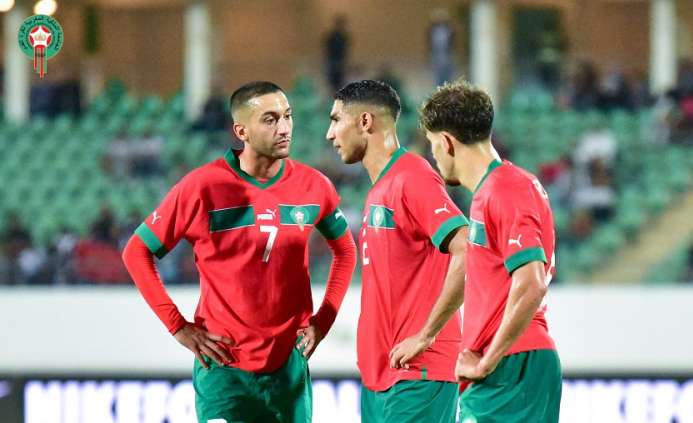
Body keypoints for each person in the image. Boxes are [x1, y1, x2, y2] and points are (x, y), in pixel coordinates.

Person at [122, 81, 357, 423]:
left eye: (288, 116)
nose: (284, 128)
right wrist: (178, 326)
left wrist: (323, 321)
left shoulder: (314, 185)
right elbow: (136, 252)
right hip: (223, 370)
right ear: (241, 131)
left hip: (287, 371)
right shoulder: (202, 186)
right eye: (270, 119)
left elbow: (346, 251)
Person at [326, 80, 468, 422]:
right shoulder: (381, 189)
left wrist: (426, 335)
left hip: (418, 373)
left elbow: (468, 249)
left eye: (336, 120)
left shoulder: (412, 176)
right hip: (383, 377)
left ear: (365, 122)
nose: (330, 134)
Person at [420, 81, 561, 422]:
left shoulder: (505, 189)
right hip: (511, 365)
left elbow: (532, 282)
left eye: (432, 146)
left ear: (446, 142)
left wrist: (487, 361)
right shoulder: (498, 189)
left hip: (510, 367)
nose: (434, 157)